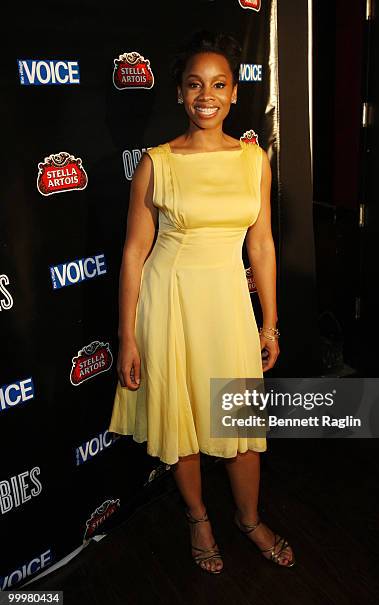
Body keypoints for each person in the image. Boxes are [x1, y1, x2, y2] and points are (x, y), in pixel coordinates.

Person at [108, 29, 295, 573]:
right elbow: (133, 254)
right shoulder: (156, 162)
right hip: (168, 305)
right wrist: (127, 335)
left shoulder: (252, 160)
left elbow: (260, 242)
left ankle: (248, 519)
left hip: (229, 308)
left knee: (241, 429)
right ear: (179, 94)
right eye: (194, 84)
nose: (206, 95)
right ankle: (198, 518)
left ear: (235, 93)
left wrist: (271, 323)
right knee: (182, 417)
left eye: (218, 84)